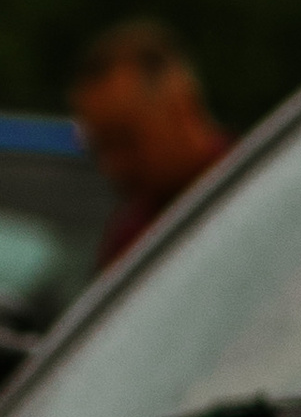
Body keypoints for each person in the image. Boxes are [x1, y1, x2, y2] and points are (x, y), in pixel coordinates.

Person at [70, 20, 229, 267]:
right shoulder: (129, 242)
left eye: (124, 139)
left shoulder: (254, 198)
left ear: (181, 109)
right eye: (100, 148)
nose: (112, 166)